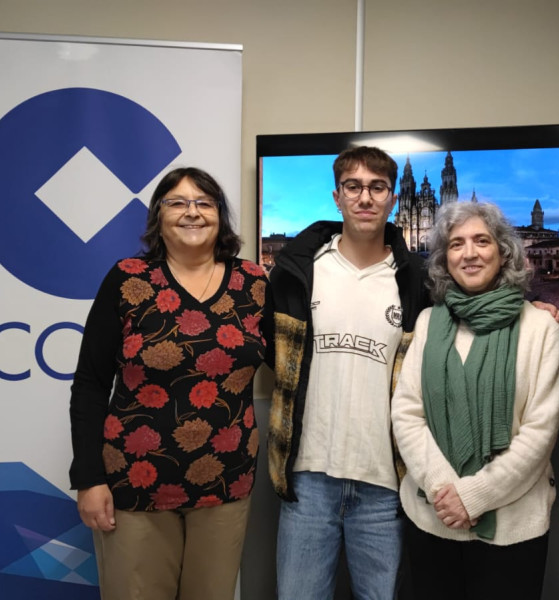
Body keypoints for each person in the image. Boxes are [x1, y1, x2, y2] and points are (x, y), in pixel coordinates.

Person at [69, 167, 266, 600]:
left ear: (221, 215)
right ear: (158, 215)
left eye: (204, 203)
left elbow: (290, 355)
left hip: (226, 482)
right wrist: (88, 477)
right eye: (177, 202)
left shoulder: (254, 283)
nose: (191, 212)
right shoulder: (127, 279)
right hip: (136, 484)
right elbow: (89, 383)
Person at [263, 146, 430, 599]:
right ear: (337, 197)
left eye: (377, 188)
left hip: (385, 485)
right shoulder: (297, 272)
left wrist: (533, 309)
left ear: (394, 198)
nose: (365, 198)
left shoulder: (416, 278)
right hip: (307, 479)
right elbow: (270, 352)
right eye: (353, 187)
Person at [391, 201, 559, 600]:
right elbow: (407, 412)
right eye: (456, 244)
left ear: (504, 252)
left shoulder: (541, 329)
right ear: (443, 258)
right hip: (432, 519)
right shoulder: (427, 323)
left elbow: (540, 434)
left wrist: (474, 497)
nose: (469, 253)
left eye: (481, 241)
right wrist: (444, 490)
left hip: (513, 529)